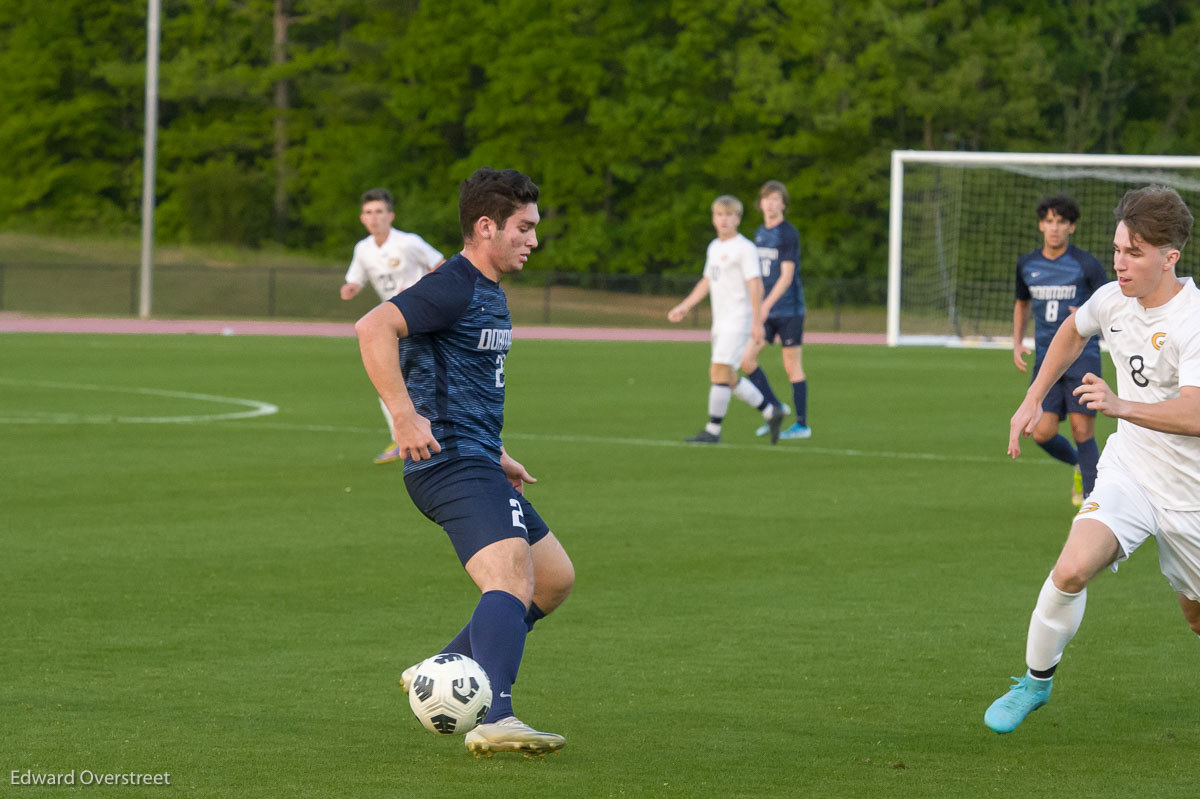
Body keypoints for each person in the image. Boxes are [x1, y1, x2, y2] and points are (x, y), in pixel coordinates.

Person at [354, 168, 574, 757]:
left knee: (552, 580)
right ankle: (497, 715)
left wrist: (496, 450)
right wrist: (402, 417)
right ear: (486, 226)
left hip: (475, 456)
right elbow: (373, 327)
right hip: (446, 463)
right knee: (509, 576)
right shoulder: (451, 283)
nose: (533, 240)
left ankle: (443, 666)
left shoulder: (487, 290)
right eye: (524, 228)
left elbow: (461, 379)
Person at [985, 185, 1200, 735]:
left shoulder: (1193, 320)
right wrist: (1033, 397)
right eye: (1117, 250)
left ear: (1169, 257)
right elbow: (1070, 330)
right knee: (1072, 568)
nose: (1119, 264)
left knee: (1196, 616)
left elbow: (1195, 416)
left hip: (1191, 492)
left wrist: (1118, 402)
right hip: (1130, 470)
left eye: (1133, 253)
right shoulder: (1112, 298)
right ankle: (1035, 681)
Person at [1012, 194, 1108, 505]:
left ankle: (1094, 504)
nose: (1055, 228)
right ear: (1041, 225)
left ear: (1072, 227)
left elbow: (1109, 303)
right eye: (1049, 221)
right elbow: (1022, 303)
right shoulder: (1027, 264)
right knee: (1041, 432)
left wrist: (1086, 312)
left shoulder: (1086, 264)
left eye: (1061, 222)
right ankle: (1080, 465)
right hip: (1046, 360)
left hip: (1083, 357)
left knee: (1083, 430)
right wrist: (1017, 342)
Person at [668, 194, 787, 444]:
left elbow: (755, 285)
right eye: (719, 215)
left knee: (719, 370)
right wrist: (686, 305)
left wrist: (757, 322)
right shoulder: (714, 247)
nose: (723, 220)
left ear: (738, 219)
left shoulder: (744, 248)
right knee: (728, 375)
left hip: (739, 319)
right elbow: (708, 281)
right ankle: (770, 412)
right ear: (713, 218)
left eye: (729, 215)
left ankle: (713, 430)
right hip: (720, 321)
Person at [341, 188, 446, 465]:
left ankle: (431, 436)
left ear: (391, 216)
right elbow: (357, 276)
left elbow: (441, 264)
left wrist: (426, 291)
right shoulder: (363, 249)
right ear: (362, 218)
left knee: (422, 378)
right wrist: (352, 287)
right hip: (394, 322)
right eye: (368, 213)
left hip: (423, 318)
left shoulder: (408, 242)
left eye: (379, 212)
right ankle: (403, 439)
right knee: (387, 379)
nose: (373, 218)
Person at [742, 180, 811, 440]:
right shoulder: (759, 233)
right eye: (766, 199)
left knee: (791, 366)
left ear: (783, 204)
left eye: (776, 199)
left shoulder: (788, 233)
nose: (770, 204)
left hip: (788, 310)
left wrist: (766, 305)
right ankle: (775, 408)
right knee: (746, 360)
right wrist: (756, 307)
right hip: (765, 311)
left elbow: (786, 276)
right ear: (760, 204)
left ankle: (802, 425)